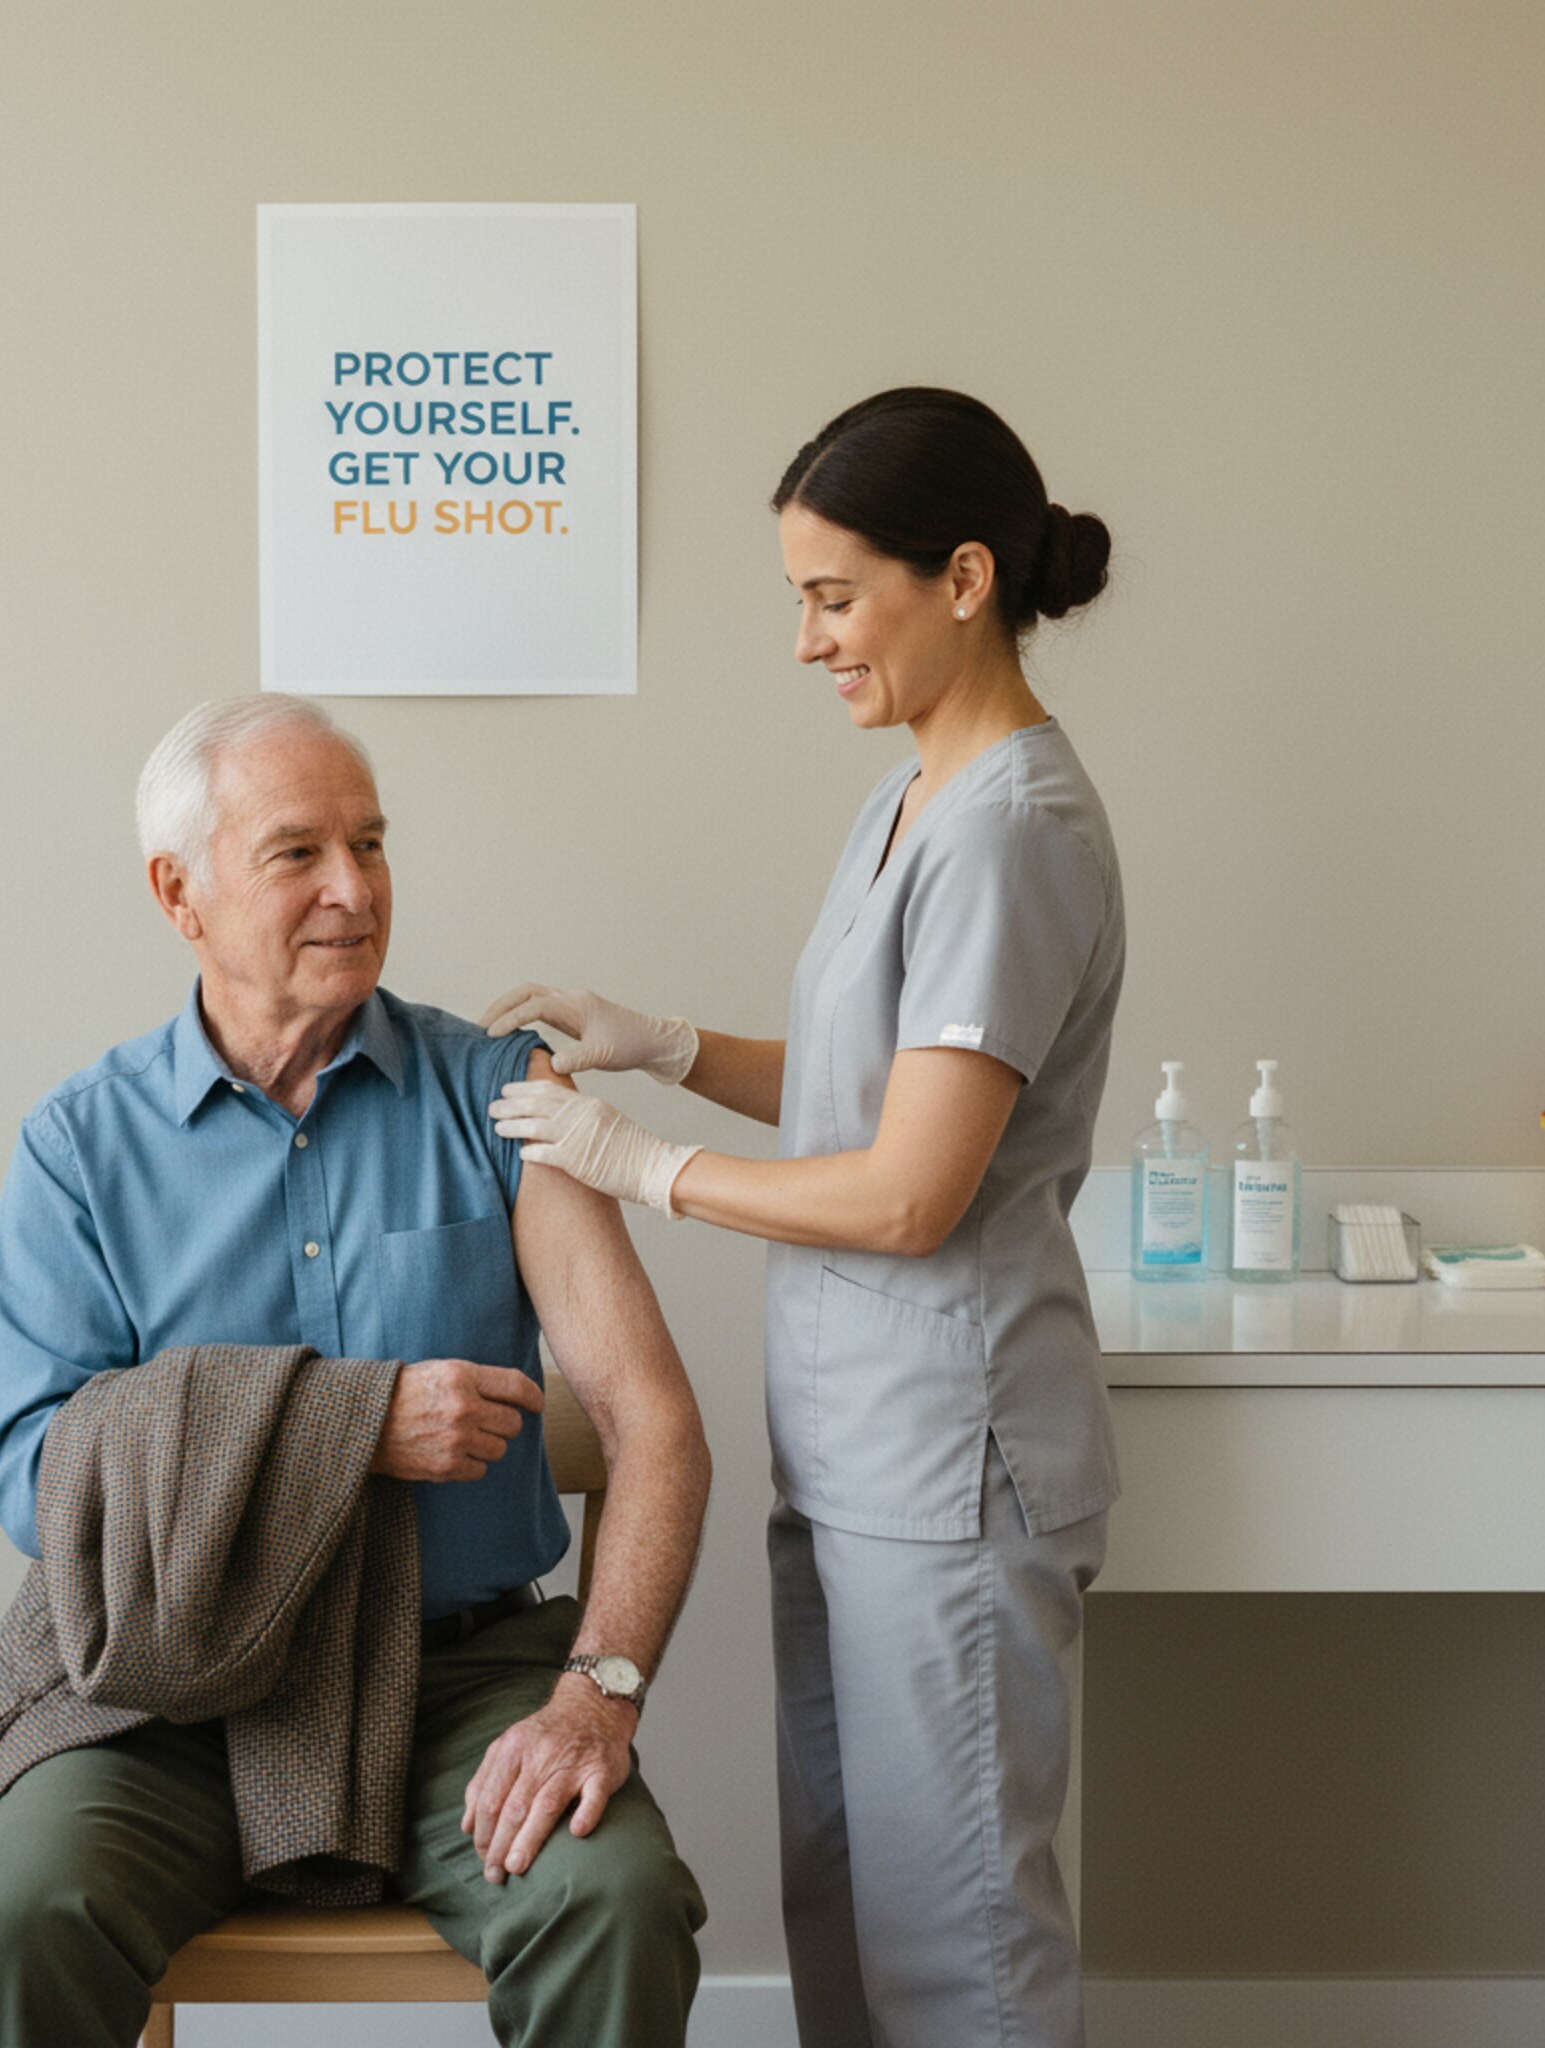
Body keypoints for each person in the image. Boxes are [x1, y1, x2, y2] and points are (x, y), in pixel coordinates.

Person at [484, 387, 1124, 2048]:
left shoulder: (1011, 836)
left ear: (965, 578)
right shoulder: (905, 799)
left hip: (947, 1461)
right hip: (849, 1449)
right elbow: (871, 1087)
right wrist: (675, 1049)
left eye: (835, 597)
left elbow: (913, 1191)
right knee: (849, 1907)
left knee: (957, 1941)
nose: (807, 641)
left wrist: (641, 1164)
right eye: (801, 601)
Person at [0, 694, 711, 2048]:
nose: (354, 889)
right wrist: (342, 1428)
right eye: (298, 852)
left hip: (466, 1679)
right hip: (167, 1695)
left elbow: (654, 1425)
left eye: (371, 842)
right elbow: (33, 1480)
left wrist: (600, 1695)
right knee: (18, 1912)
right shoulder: (78, 1146)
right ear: (179, 892)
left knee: (617, 1897)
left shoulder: (499, 1098)